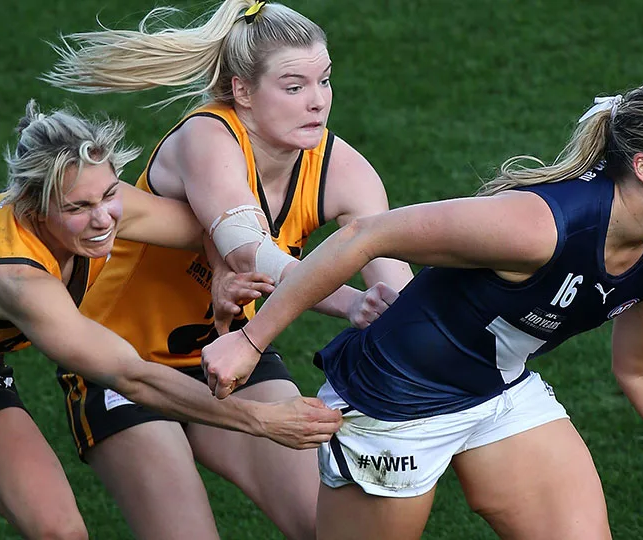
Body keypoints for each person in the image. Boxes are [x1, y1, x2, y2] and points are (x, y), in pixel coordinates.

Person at [202, 79, 643, 539]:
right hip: (395, 402)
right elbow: (363, 237)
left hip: (498, 391)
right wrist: (250, 342)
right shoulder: (538, 227)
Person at [0, 100, 341, 540]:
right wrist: (261, 419)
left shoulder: (98, 207)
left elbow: (208, 229)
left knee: (62, 533)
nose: (103, 220)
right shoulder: (15, 280)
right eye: (78, 208)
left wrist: (219, 273)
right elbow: (130, 377)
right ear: (32, 207)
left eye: (109, 194)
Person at [42, 2, 413, 539]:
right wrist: (349, 303)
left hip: (231, 353)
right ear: (241, 90)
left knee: (325, 528)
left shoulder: (343, 169)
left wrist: (417, 322)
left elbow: (393, 282)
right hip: (123, 360)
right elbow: (246, 250)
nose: (318, 102)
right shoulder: (208, 137)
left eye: (325, 81)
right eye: (293, 86)